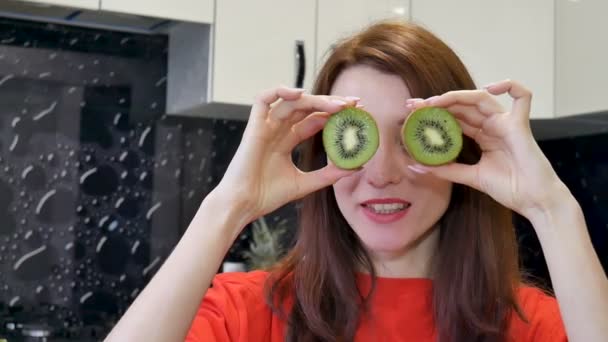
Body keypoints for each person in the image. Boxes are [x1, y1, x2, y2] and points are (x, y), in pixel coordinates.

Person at [104, 20, 608, 342]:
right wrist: (226, 209)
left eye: (413, 139)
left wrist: (552, 208)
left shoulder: (529, 326)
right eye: (358, 140)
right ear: (327, 147)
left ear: (457, 147)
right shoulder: (248, 312)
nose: (382, 174)